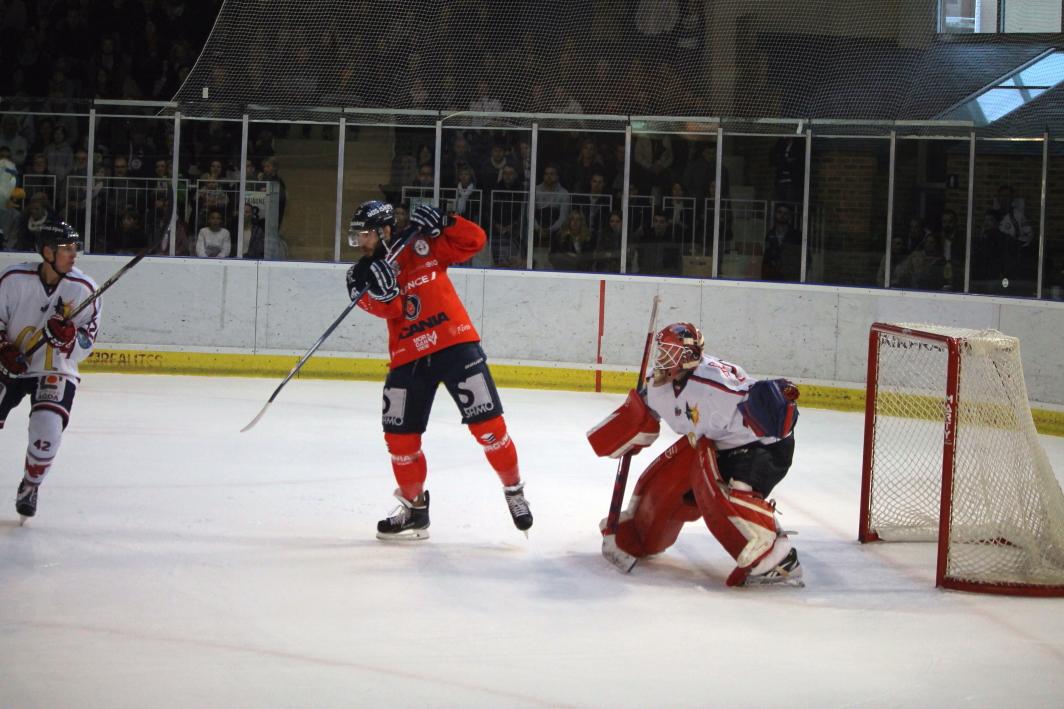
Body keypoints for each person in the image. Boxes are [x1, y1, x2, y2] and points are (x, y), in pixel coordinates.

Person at [345, 200, 532, 540]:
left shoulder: (421, 242)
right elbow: (392, 310)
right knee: (399, 441)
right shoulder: (361, 273)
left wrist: (447, 222)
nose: (360, 242)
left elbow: (475, 241)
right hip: (407, 356)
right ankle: (415, 510)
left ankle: (514, 491)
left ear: (385, 231)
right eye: (357, 236)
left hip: (455, 344)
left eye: (366, 234)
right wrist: (384, 295)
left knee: (489, 428)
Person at [587, 322, 802, 587]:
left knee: (732, 497)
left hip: (762, 449)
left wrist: (778, 400)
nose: (662, 359)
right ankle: (642, 530)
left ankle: (777, 557)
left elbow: (766, 401)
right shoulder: (659, 383)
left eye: (670, 353)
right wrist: (627, 431)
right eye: (662, 351)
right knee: (669, 479)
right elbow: (644, 410)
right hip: (715, 444)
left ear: (688, 356)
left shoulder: (715, 385)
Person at [0, 221, 101, 520]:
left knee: (47, 430)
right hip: (8, 363)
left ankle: (30, 486)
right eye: (66, 249)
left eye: (75, 248)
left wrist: (69, 338)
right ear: (47, 252)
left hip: (54, 367)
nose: (74, 255)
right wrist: (3, 347)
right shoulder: (13, 279)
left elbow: (86, 343)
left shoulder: (84, 289)